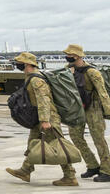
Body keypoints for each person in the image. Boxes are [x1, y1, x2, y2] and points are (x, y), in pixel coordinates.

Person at [7, 52, 79, 186]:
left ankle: (70, 176)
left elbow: (43, 100)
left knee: (58, 147)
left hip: (48, 118)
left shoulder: (36, 80)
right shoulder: (31, 77)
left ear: (27, 64)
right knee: (33, 144)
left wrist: (45, 120)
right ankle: (25, 170)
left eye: (20, 63)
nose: (17, 65)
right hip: (40, 118)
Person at [65, 44, 110, 182]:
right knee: (75, 136)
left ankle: (107, 170)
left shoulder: (92, 72)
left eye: (69, 55)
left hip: (93, 108)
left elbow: (103, 93)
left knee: (99, 139)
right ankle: (92, 165)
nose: (67, 57)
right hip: (77, 108)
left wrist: (107, 111)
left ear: (77, 56)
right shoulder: (68, 70)